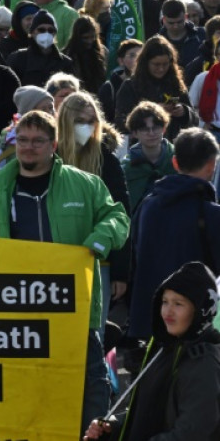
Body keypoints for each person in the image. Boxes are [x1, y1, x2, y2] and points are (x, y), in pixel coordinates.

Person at [0, 110, 129, 437]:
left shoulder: (85, 185)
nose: (29, 148)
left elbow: (118, 219)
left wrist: (99, 240)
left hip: (75, 315)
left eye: (38, 141)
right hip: (18, 320)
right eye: (23, 141)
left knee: (91, 393)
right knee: (29, 401)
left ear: (54, 144)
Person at [84, 262, 220, 440]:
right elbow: (146, 411)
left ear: (200, 311)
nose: (168, 311)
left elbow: (195, 430)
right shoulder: (163, 349)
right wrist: (112, 426)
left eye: (178, 304)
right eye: (165, 302)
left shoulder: (202, 362)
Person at [128, 128, 220, 342]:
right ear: (211, 166)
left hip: (149, 320)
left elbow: (135, 252)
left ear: (175, 162)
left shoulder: (149, 204)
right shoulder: (211, 213)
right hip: (194, 323)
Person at [56, 92, 130, 322]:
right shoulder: (50, 159)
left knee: (93, 331)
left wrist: (120, 272)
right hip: (55, 258)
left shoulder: (106, 161)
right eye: (80, 122)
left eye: (91, 121)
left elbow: (121, 215)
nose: (86, 127)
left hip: (99, 261)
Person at [114, 35, 199, 139]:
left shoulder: (176, 84)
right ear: (145, 62)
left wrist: (184, 112)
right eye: (156, 64)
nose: (161, 69)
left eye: (165, 64)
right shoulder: (131, 86)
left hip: (173, 145)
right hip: (142, 147)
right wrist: (151, 113)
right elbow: (120, 122)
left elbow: (195, 119)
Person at [122, 101, 176, 212]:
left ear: (164, 129)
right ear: (135, 133)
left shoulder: (179, 161)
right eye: (144, 129)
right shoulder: (126, 167)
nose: (151, 133)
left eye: (156, 127)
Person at [6, 10, 74, 88]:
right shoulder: (17, 59)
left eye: (50, 30)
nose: (46, 33)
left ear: (54, 33)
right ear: (32, 32)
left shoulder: (65, 63)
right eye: (41, 30)